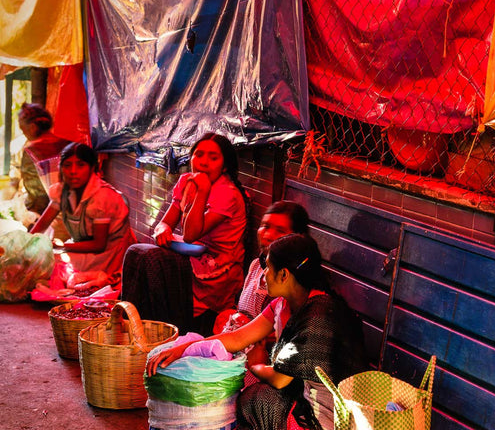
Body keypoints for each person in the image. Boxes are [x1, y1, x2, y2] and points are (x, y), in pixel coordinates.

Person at [146, 233, 368, 430]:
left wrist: (255, 365)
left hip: (329, 418)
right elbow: (237, 338)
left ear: (284, 275)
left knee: (255, 399)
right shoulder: (283, 304)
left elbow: (280, 380)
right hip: (303, 399)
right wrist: (182, 350)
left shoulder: (319, 315)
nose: (263, 274)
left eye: (268, 268)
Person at [121, 132, 248, 335]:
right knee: (136, 253)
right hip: (193, 257)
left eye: (213, 158)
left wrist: (203, 191)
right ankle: (131, 327)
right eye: (199, 155)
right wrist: (162, 231)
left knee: (151, 259)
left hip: (217, 270)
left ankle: (164, 332)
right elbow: (165, 223)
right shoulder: (186, 181)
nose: (204, 162)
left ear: (224, 167)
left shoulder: (228, 194)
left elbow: (190, 234)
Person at [30, 142, 136, 289]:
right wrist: (25, 245)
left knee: (50, 263)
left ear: (92, 168)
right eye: (67, 165)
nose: (73, 171)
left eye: (80, 165)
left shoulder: (102, 197)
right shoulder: (62, 191)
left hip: (109, 255)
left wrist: (60, 246)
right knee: (36, 259)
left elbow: (99, 245)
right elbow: (41, 225)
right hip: (83, 247)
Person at [216, 200, 311, 333]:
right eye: (265, 226)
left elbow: (286, 333)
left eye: (280, 230)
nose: (268, 235)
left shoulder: (293, 281)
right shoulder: (256, 265)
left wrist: (245, 330)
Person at [17, 103, 71, 215]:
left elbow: (37, 197)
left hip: (49, 217)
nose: (24, 134)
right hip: (74, 214)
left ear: (32, 128)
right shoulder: (69, 145)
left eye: (23, 129)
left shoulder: (32, 151)